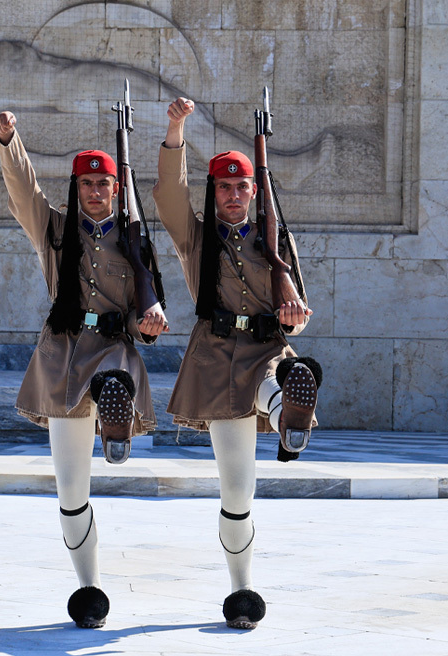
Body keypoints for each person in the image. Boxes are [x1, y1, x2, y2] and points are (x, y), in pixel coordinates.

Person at [0, 110, 170, 629]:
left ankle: (115, 418)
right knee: (71, 490)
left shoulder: (135, 241)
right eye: (87, 184)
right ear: (76, 188)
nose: (95, 191)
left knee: (113, 379)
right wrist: (9, 141)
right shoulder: (55, 229)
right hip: (65, 355)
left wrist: (149, 323)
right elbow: (23, 191)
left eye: (103, 184)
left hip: (113, 349)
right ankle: (89, 588)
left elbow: (142, 314)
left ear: (117, 189)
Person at [152, 97, 323, 630]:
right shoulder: (196, 238)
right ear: (215, 191)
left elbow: (298, 316)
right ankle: (241, 590)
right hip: (218, 358)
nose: (232, 194)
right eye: (224, 187)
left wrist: (294, 317)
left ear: (254, 191)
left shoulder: (277, 239)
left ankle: (290, 413)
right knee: (236, 490)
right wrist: (175, 130)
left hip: (269, 352)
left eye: (241, 186)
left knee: (282, 381)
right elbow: (169, 195)